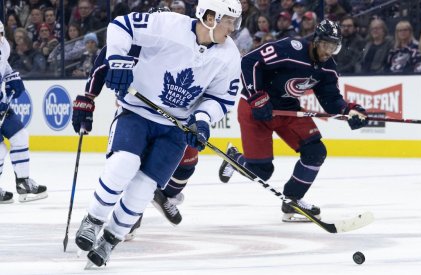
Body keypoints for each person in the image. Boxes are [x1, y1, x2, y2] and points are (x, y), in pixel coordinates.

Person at [74, 0, 242, 267]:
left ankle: (111, 239)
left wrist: (202, 120)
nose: (232, 28)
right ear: (209, 16)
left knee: (143, 188)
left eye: (235, 22)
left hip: (176, 127)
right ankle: (93, 220)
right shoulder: (169, 25)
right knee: (123, 164)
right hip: (136, 113)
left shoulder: (229, 55)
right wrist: (117, 62)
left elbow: (221, 97)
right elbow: (120, 26)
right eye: (228, 21)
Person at [219, 19, 368, 222]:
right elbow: (249, 61)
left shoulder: (328, 67)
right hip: (256, 109)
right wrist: (257, 97)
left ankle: (292, 200)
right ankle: (235, 158)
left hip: (288, 111)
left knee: (316, 152)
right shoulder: (290, 48)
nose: (328, 51)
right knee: (261, 171)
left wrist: (349, 111)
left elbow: (331, 99)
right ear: (316, 41)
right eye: (325, 45)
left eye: (333, 47)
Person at [0, 20, 48, 204]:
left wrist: (12, 78)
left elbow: (4, 66)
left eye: (1, 33)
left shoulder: (4, 46)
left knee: (20, 136)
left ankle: (23, 182)